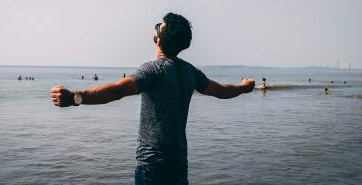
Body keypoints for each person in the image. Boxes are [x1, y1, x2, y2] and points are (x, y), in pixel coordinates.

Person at [50, 13, 255, 185]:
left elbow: (117, 91)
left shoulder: (153, 70)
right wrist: (244, 87)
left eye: (159, 27)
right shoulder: (190, 72)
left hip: (152, 164)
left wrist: (75, 98)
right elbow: (221, 91)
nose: (156, 28)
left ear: (159, 39)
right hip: (178, 161)